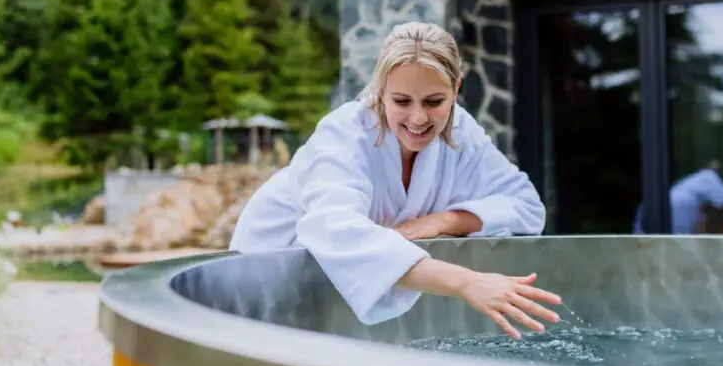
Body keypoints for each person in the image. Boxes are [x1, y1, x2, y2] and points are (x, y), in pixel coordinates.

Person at [229, 21, 561, 340]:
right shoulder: (344, 134)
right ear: (381, 90)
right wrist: (466, 283)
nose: (418, 118)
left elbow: (526, 206)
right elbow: (339, 232)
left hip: (335, 294)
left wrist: (443, 220)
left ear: (456, 89)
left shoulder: (462, 132)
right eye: (401, 101)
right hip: (266, 275)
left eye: (434, 102)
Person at [632, 159, 723, 234]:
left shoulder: (693, 178)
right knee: (681, 239)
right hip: (683, 204)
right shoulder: (709, 176)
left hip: (661, 198)